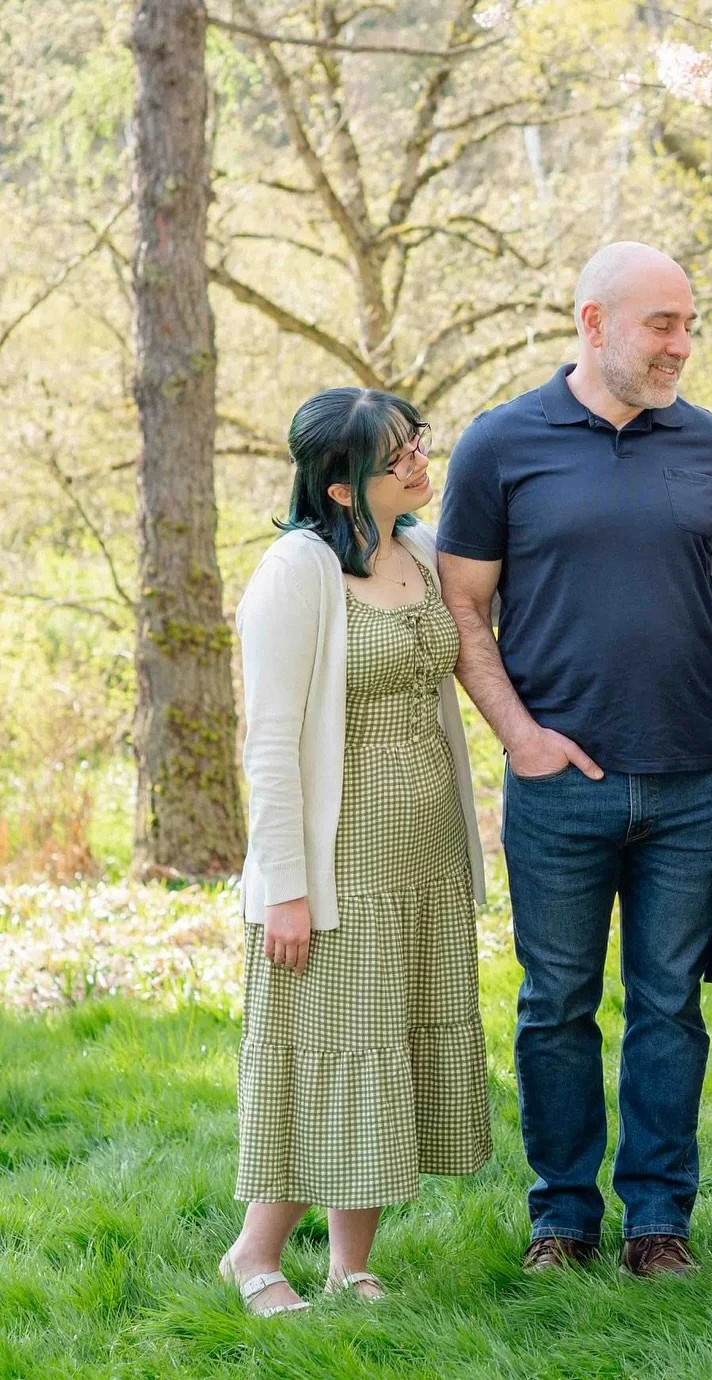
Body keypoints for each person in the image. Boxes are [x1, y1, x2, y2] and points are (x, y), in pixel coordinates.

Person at [437, 242, 712, 1279]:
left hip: (693, 780)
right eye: (661, 324)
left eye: (687, 324)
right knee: (556, 1006)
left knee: (670, 1006)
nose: (680, 344)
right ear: (593, 322)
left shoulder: (711, 444)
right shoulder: (500, 445)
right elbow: (461, 606)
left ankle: (659, 1221)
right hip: (556, 784)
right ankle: (563, 1220)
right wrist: (519, 738)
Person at [221, 389, 490, 1316]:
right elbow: (268, 741)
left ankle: (350, 1264)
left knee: (387, 1056)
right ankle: (253, 1257)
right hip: (337, 864)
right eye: (395, 457)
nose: (419, 463)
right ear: (340, 489)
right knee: (331, 1055)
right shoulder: (296, 572)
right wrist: (285, 890)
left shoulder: (418, 549)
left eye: (417, 443)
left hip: (422, 854)